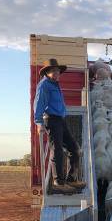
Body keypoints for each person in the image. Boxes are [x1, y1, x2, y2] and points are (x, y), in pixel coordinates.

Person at [34, 58, 86, 194]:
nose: (56, 73)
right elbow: (38, 104)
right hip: (51, 120)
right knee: (56, 150)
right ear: (47, 72)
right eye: (53, 71)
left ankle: (71, 179)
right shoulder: (44, 85)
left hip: (61, 120)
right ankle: (58, 182)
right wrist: (38, 122)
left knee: (74, 149)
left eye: (57, 71)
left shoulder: (55, 84)